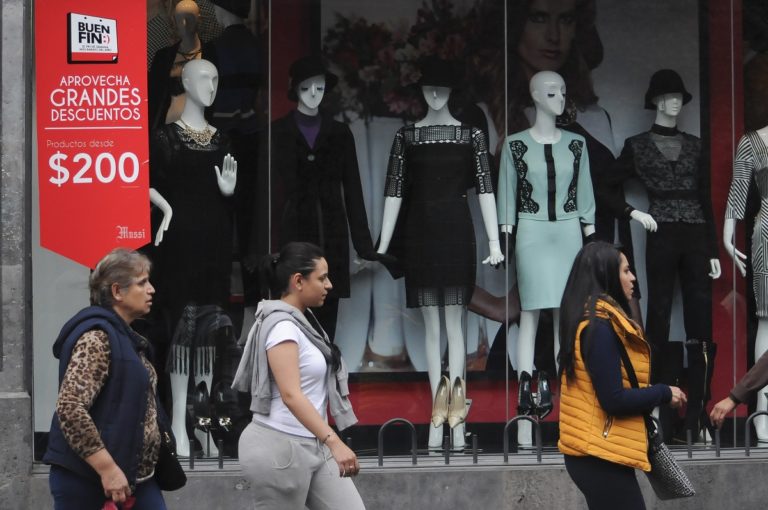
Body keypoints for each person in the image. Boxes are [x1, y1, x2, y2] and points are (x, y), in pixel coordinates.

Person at [377, 57, 504, 450]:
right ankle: (437, 416)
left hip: (455, 231)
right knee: (433, 328)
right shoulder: (407, 137)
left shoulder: (471, 136)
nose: (434, 94)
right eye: (428, 88)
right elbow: (394, 190)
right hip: (420, 233)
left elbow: (485, 188)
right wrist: (382, 245)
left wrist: (496, 242)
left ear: (452, 93)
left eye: (442, 88)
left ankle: (458, 420)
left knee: (456, 327)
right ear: (420, 92)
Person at [601, 69, 721, 442]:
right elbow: (604, 186)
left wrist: (714, 250)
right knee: (659, 318)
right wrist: (632, 213)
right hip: (661, 233)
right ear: (654, 101)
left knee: (701, 322)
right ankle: (659, 410)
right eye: (667, 97)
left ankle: (697, 413)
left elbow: (705, 198)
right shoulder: (637, 146)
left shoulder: (697, 145)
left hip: (696, 234)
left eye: (677, 97)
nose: (673, 103)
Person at [497, 70, 595, 445]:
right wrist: (503, 236)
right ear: (536, 95)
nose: (560, 99)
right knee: (530, 315)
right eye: (552, 92)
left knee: (566, 321)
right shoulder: (515, 145)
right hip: (531, 233)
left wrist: (590, 236)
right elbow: (507, 193)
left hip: (569, 233)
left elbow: (584, 194)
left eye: (563, 91)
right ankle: (525, 419)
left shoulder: (576, 145)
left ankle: (567, 417)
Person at [232, 242, 366, 509]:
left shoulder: (304, 324)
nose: (329, 285)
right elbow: (291, 395)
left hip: (313, 443)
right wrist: (334, 441)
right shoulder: (282, 327)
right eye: (322, 278)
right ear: (298, 281)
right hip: (279, 446)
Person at [149, 57, 238, 457]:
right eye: (204, 78)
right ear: (185, 82)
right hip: (179, 239)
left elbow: (230, 196)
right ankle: (179, 428)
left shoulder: (223, 138)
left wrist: (227, 191)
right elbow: (142, 183)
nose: (212, 85)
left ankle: (202, 427)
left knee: (208, 330)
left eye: (217, 78)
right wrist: (166, 210)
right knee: (182, 328)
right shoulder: (165, 138)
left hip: (214, 240)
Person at [558, 241, 686, 510]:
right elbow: (613, 399)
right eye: (626, 271)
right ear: (607, 276)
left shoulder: (598, 322)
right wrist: (664, 392)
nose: (633, 278)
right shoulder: (598, 328)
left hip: (599, 451)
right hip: (597, 454)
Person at [43, 248, 169, 509]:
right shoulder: (97, 338)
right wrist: (107, 469)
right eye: (142, 282)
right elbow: (70, 408)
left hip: (136, 480)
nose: (152, 289)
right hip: (92, 483)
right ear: (117, 292)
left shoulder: (127, 338)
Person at [722, 125, 768, 441]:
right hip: (767, 234)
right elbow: (739, 188)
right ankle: (763, 416)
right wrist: (727, 235)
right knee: (766, 322)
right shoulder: (753, 142)